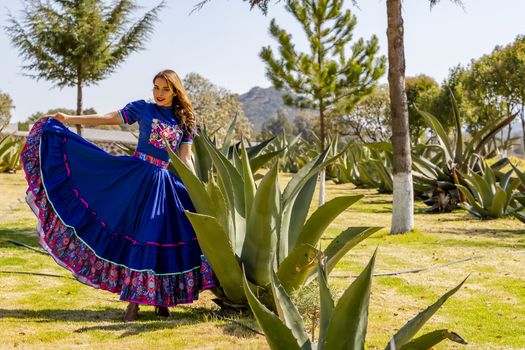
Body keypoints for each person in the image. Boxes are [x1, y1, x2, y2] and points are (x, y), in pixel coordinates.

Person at [21, 69, 215, 322]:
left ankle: (162, 301)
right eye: (156, 87)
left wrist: (197, 188)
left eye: (165, 89)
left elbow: (184, 159)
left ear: (176, 90)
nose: (159, 93)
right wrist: (68, 117)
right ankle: (133, 306)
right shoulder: (143, 108)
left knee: (160, 237)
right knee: (139, 236)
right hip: (135, 178)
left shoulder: (186, 120)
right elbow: (110, 117)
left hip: (164, 184)